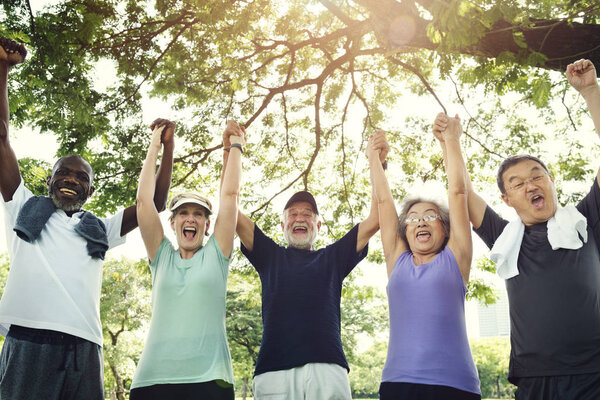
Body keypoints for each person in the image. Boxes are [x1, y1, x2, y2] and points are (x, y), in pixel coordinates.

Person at [0, 38, 174, 399]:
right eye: (64, 172)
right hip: (29, 338)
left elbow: (154, 204)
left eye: (82, 178)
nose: (71, 179)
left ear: (90, 191)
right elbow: (1, 138)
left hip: (84, 344)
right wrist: (2, 69)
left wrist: (166, 147)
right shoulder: (23, 207)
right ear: (49, 179)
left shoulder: (98, 229)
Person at [458, 58, 600, 399]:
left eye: (537, 175)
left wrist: (591, 91)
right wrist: (451, 142)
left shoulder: (585, 219)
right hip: (534, 378)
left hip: (593, 373)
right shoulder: (504, 236)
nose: (530, 184)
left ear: (551, 182)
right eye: (518, 183)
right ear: (507, 199)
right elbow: (462, 193)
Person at [222, 126, 386, 399]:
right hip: (274, 372)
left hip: (328, 368)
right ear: (283, 222)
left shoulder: (333, 257)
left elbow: (377, 218)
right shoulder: (269, 255)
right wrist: (230, 150)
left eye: (308, 213)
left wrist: (378, 162)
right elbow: (229, 207)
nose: (300, 217)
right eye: (293, 213)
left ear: (318, 224)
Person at [129, 120, 245, 399]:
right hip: (153, 381)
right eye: (183, 213)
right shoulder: (161, 256)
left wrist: (235, 146)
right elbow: (144, 203)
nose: (190, 218)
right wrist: (155, 145)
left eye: (198, 213)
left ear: (207, 225)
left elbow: (230, 196)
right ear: (173, 223)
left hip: (209, 380)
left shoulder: (217, 255)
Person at [368, 118, 480, 399]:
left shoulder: (456, 258)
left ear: (445, 228)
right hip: (397, 383)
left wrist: (451, 141)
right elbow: (383, 202)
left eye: (430, 217)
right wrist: (374, 158)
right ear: (404, 230)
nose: (421, 222)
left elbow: (457, 192)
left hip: (454, 385)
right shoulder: (398, 260)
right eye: (413, 218)